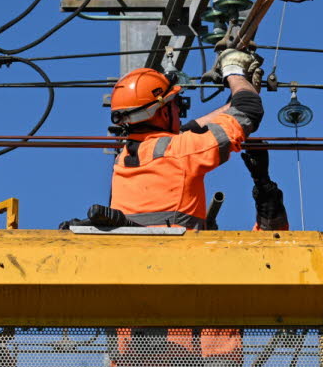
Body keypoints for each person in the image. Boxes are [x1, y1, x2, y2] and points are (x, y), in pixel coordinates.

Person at [62, 48, 289, 366]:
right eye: (174, 106)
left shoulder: (127, 158)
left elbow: (192, 130)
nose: (180, 114)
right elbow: (248, 112)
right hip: (194, 343)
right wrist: (234, 72)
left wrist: (241, 89)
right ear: (161, 112)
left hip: (134, 348)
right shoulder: (178, 152)